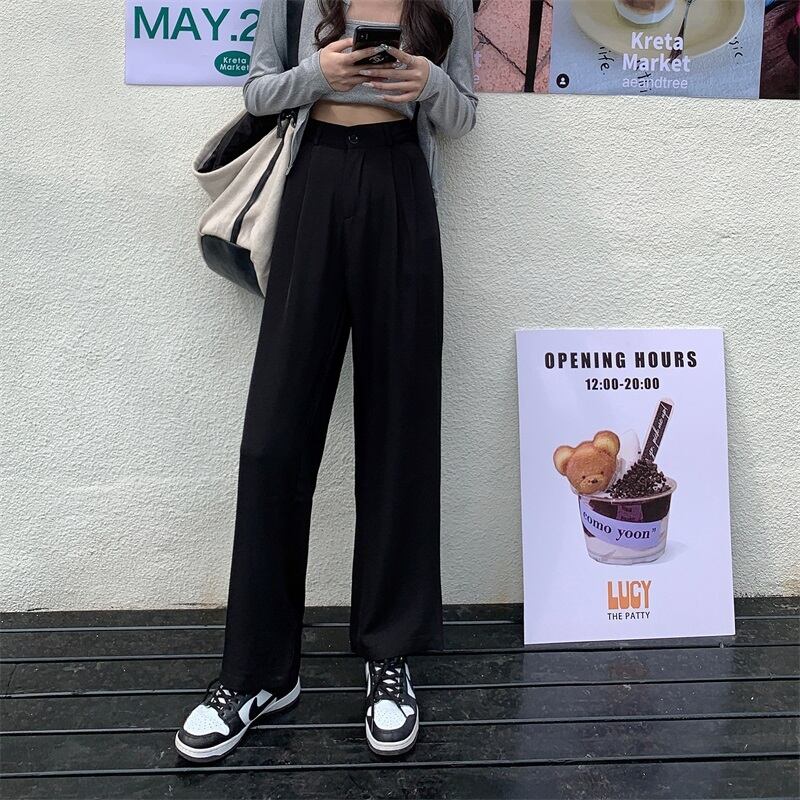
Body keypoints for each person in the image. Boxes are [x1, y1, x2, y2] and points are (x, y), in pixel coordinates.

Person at [175, 0, 477, 762]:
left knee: (399, 432)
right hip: (312, 185)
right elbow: (257, 91)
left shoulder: (447, 4)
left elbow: (465, 114)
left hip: (401, 188)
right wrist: (320, 74)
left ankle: (388, 656)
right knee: (273, 441)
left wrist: (427, 81)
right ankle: (257, 673)